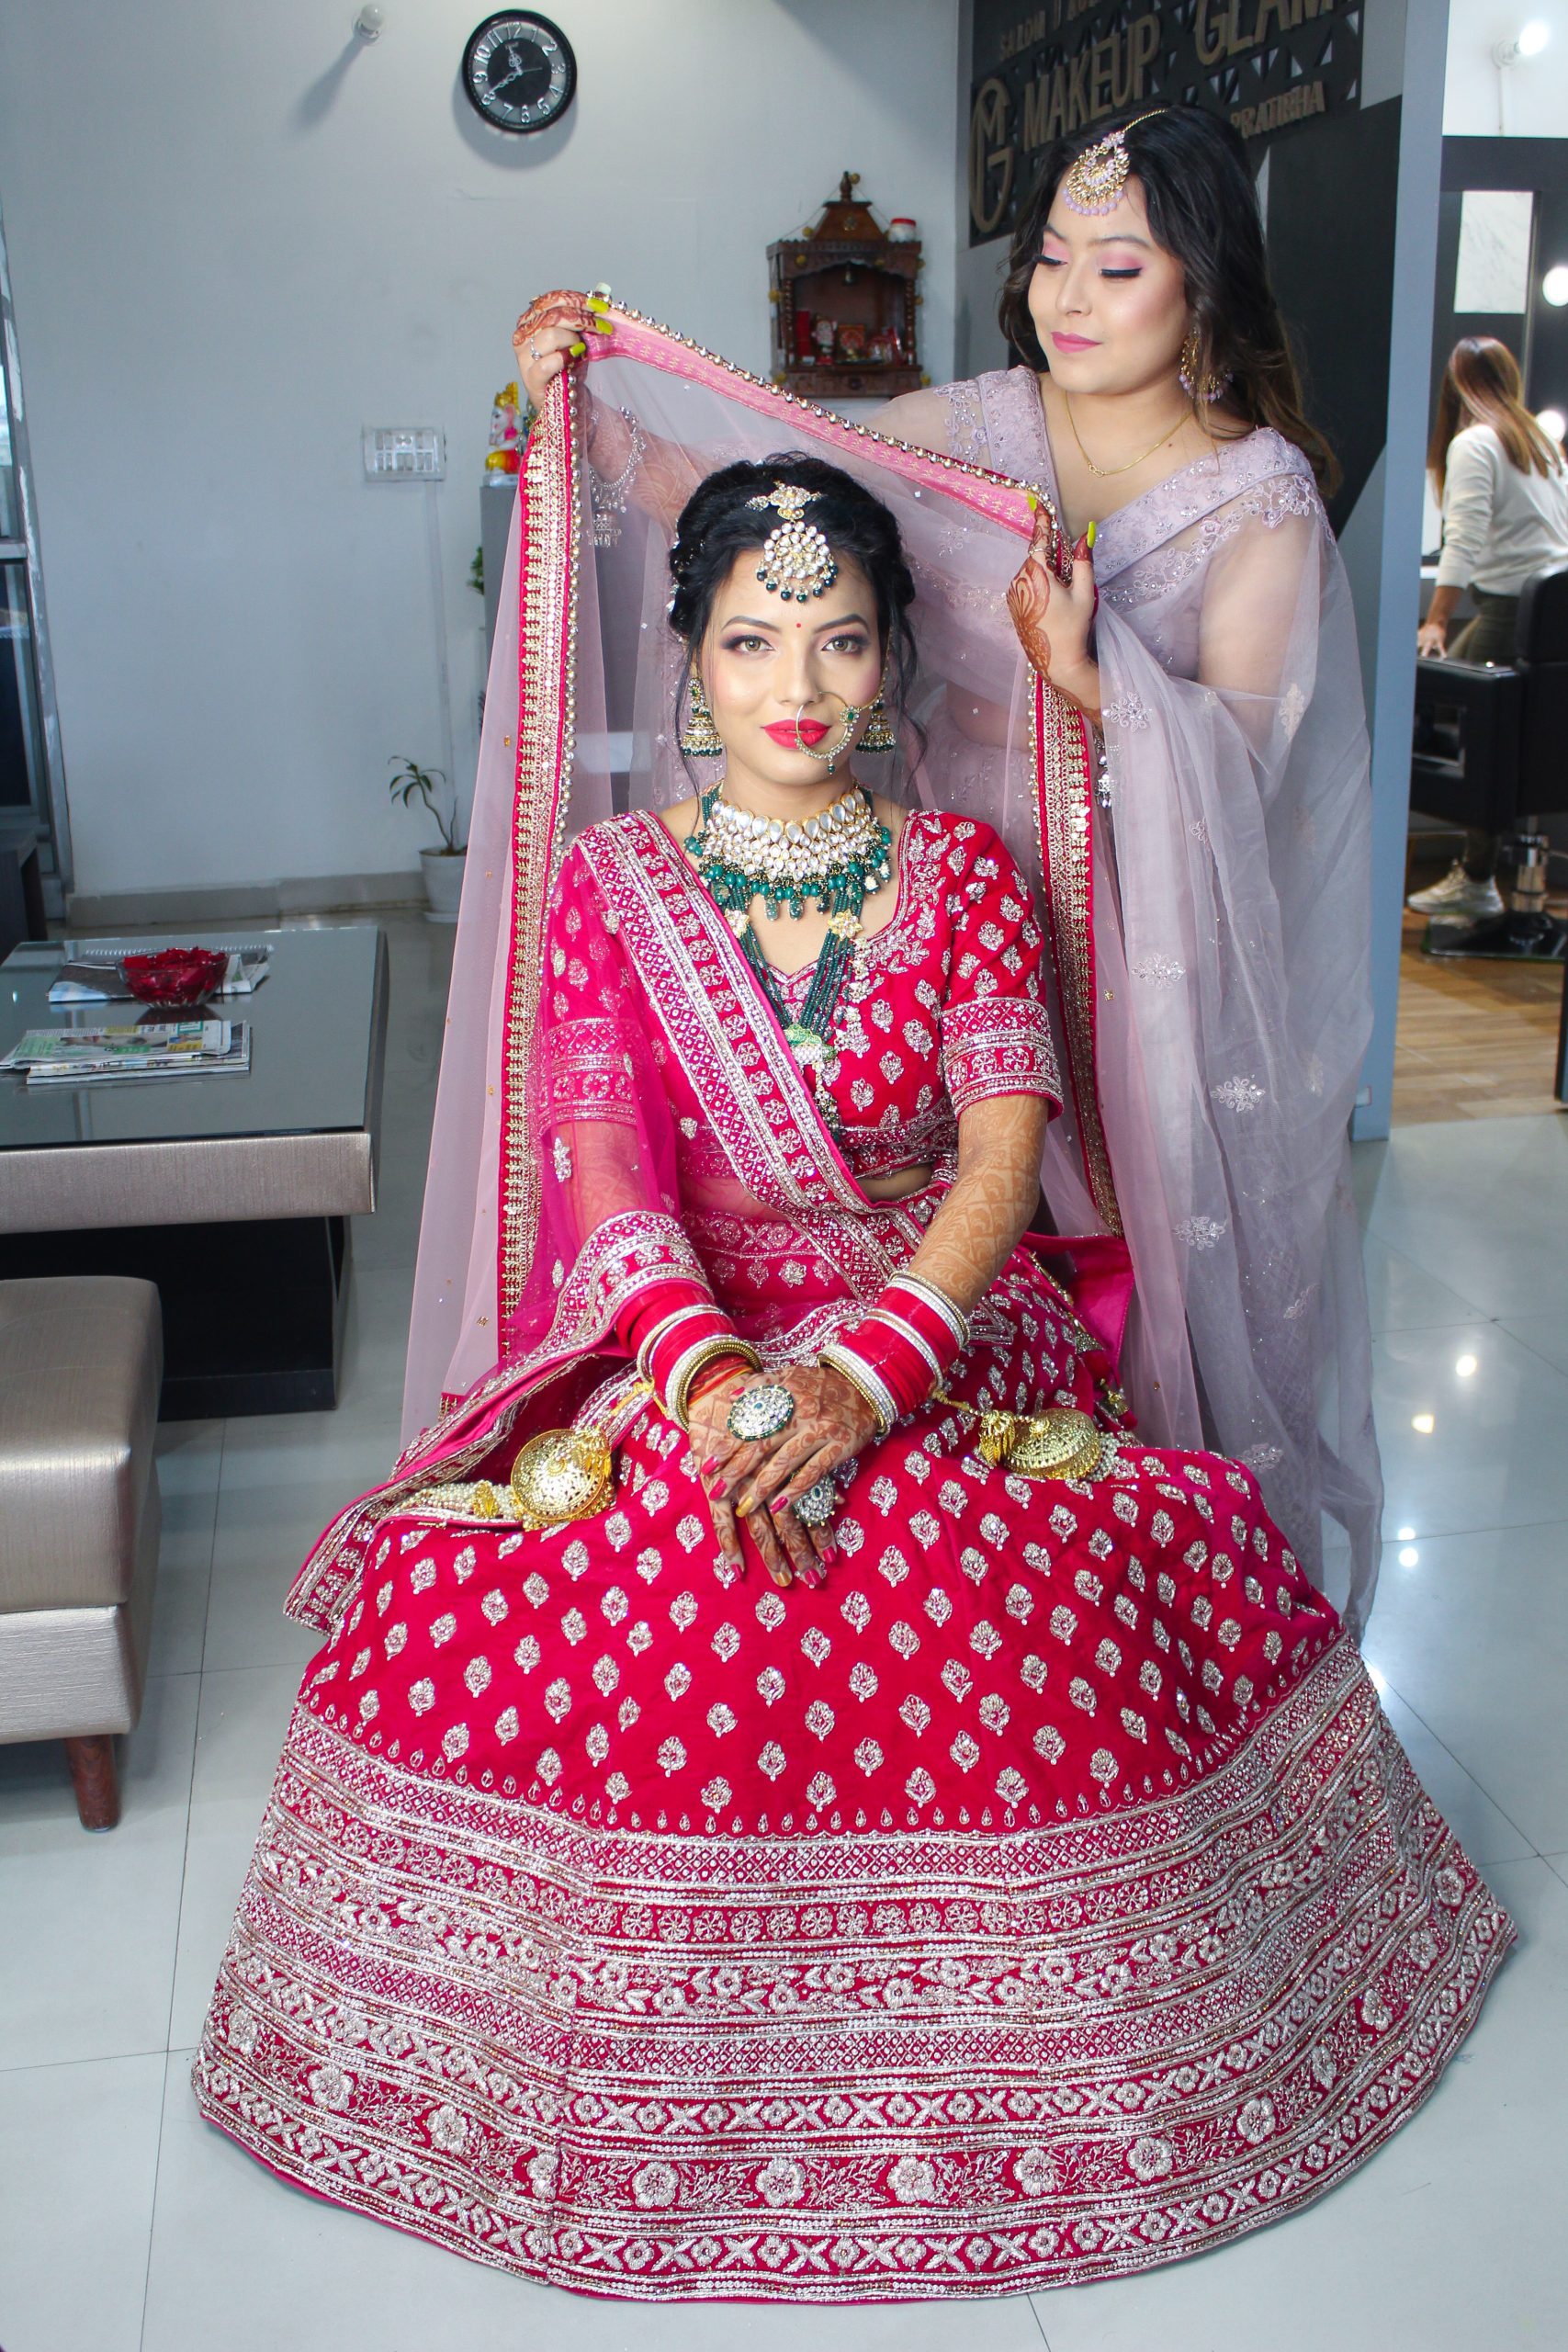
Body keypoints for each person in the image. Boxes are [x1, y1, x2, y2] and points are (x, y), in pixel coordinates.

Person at [193, 360, 1510, 2298]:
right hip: (679, 1331)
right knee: (611, 1564)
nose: (793, 681)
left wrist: (866, 1368)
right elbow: (603, 1177)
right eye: (748, 639)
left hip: (929, 1324)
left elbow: (998, 1167)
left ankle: (1037, 2051)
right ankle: (654, 2063)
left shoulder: (964, 875)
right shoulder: (602, 889)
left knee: (995, 1559)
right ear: (688, 662)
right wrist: (721, 1381)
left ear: (895, 661)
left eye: (835, 639)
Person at [517, 102, 1382, 1631]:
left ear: (1204, 286)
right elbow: (776, 505)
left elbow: (1250, 783)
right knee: (955, 1205)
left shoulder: (1255, 499)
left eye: (1116, 268)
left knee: (1153, 1270)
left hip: (1141, 945)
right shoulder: (986, 423)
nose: (1067, 298)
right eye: (1051, 258)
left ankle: (1164, 1597)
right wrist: (589, 408)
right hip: (938, 895)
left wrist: (1098, 672)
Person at [1410, 334, 1568, 924]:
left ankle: (1476, 877)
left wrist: (1437, 620)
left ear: (1455, 387)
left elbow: (1464, 542)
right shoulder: (1540, 438)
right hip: (1551, 619)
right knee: (1495, 739)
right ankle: (1478, 871)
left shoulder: (1476, 442)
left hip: (1508, 613)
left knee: (1432, 706)